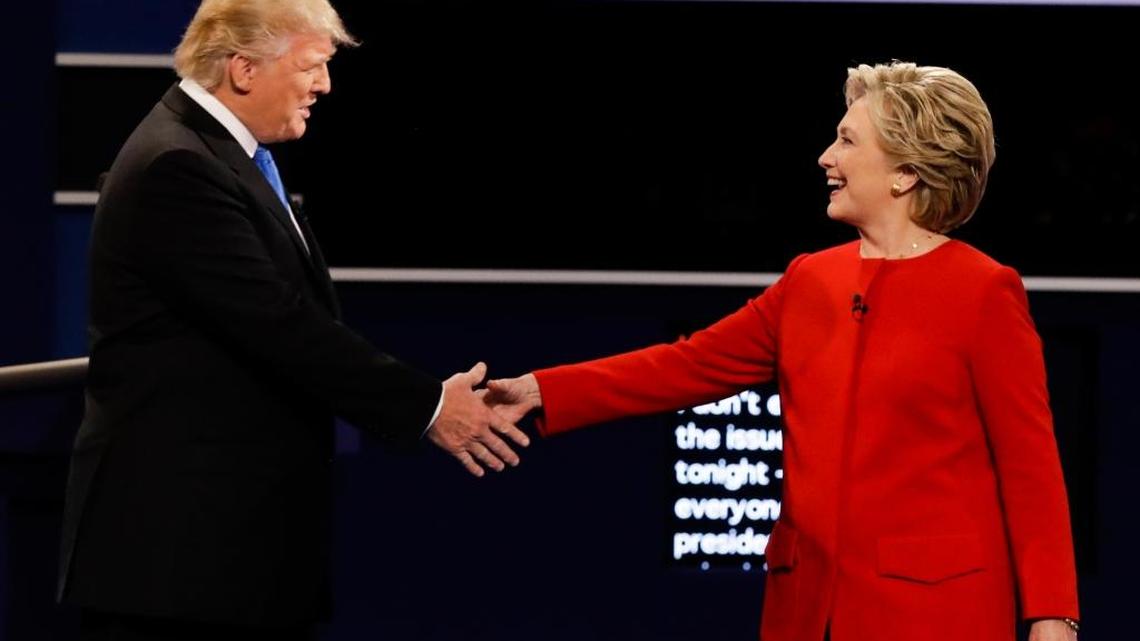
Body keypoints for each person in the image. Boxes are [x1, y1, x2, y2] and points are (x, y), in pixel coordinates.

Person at [486, 62, 1079, 641]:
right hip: (804, 608)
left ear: (904, 173)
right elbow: (685, 365)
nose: (826, 157)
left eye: (847, 141)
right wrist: (541, 389)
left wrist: (1053, 616)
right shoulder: (810, 281)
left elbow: (1032, 470)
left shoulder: (983, 291)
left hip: (933, 612)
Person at [57, 1, 528, 639]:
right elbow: (282, 327)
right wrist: (428, 406)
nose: (325, 86)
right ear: (244, 70)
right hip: (178, 558)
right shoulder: (179, 166)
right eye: (313, 67)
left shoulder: (221, 154)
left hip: (225, 553)